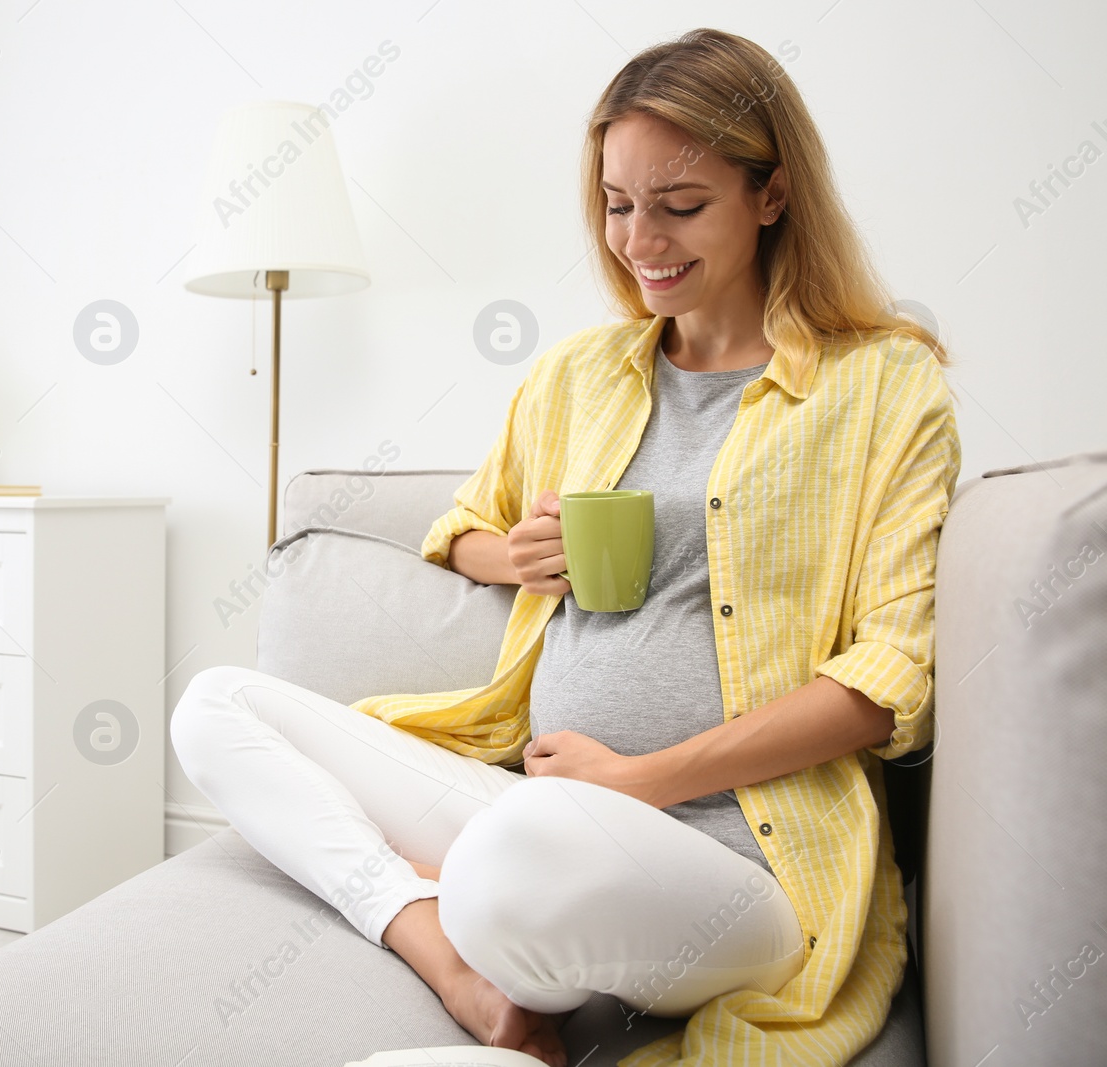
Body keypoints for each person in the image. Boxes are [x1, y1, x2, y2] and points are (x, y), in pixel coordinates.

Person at [171, 26, 960, 1067]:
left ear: (771, 195)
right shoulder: (577, 374)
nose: (640, 242)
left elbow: (886, 682)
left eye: (680, 206)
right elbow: (460, 528)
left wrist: (633, 782)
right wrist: (513, 557)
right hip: (541, 797)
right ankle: (457, 971)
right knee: (216, 706)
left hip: (739, 859)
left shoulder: (885, 383)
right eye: (617, 204)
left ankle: (486, 916)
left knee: (513, 851)